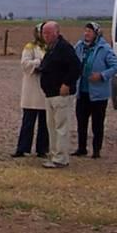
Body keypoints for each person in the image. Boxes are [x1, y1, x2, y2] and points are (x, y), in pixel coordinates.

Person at [72, 20, 117, 158]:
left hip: (98, 94)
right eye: (85, 30)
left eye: (90, 31)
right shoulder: (80, 46)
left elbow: (116, 67)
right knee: (81, 121)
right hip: (82, 91)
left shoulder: (104, 48)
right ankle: (81, 148)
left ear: (96, 33)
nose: (86, 33)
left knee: (97, 124)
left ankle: (96, 150)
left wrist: (101, 75)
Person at [36, 21, 81, 168]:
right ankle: (55, 154)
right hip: (50, 94)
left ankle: (61, 158)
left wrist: (67, 83)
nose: (46, 36)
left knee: (61, 126)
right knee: (52, 126)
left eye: (49, 33)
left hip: (61, 94)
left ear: (57, 32)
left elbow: (76, 67)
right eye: (44, 33)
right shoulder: (51, 49)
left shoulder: (64, 48)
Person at [12, 24, 50, 158]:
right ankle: (22, 148)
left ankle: (42, 149)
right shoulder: (30, 47)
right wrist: (38, 63)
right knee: (28, 121)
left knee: (45, 122)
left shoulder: (52, 47)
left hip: (46, 89)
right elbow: (25, 64)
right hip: (32, 89)